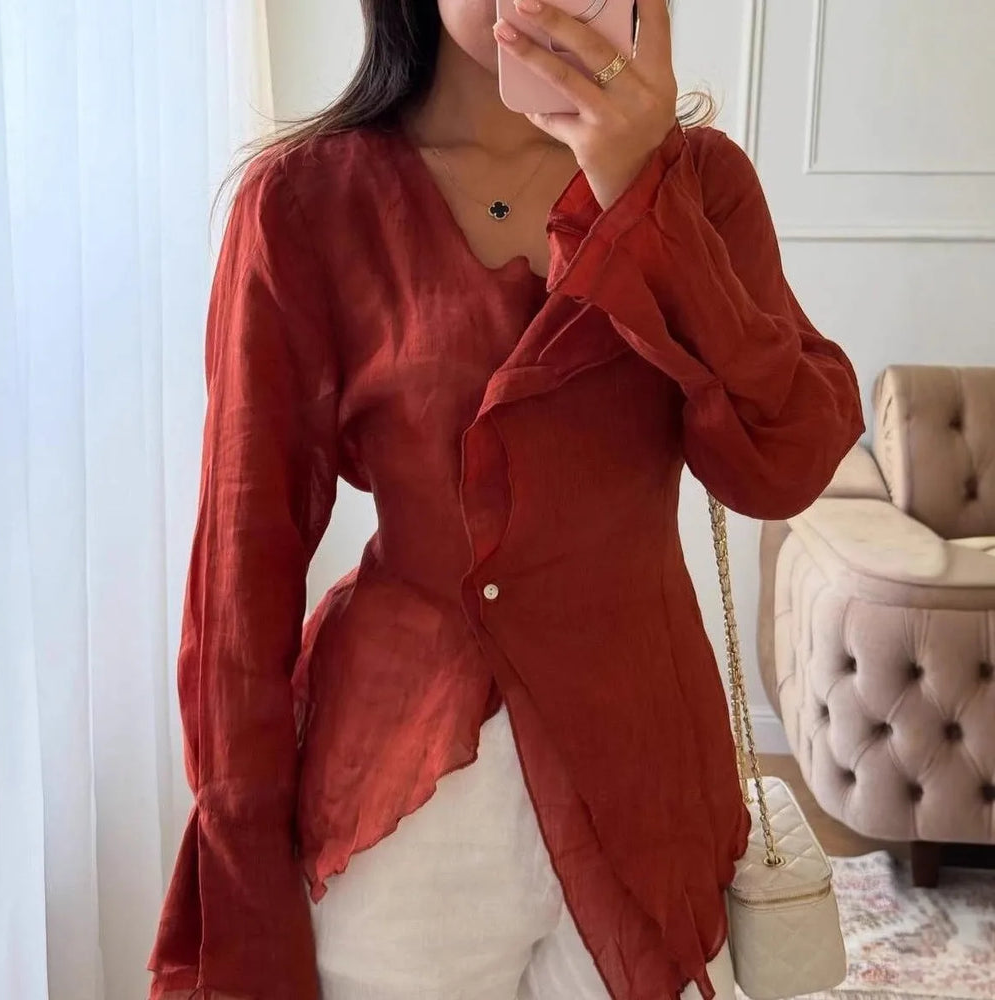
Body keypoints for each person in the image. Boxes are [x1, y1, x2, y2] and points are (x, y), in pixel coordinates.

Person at [147, 1, 865, 999]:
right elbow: (241, 562)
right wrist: (243, 878)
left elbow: (783, 460)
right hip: (405, 786)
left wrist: (636, 193)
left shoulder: (699, 181)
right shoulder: (304, 204)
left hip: (643, 770)